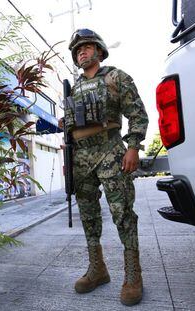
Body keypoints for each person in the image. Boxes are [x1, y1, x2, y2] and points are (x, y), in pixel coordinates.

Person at [62, 28, 148, 306]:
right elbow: (71, 124)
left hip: (110, 150)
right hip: (81, 157)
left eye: (86, 47)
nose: (81, 52)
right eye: (77, 51)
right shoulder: (73, 88)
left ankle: (133, 275)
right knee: (88, 215)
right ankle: (98, 269)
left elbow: (137, 113)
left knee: (122, 212)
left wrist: (133, 146)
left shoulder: (116, 77)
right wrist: (68, 148)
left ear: (98, 50)